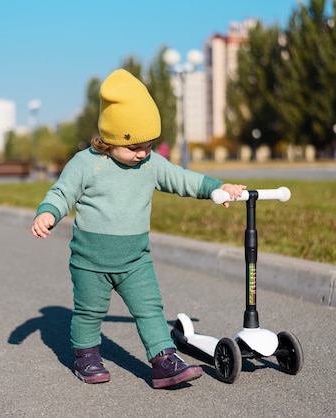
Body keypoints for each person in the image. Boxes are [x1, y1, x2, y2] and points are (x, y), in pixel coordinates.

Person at [31, 69, 246, 389]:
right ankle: (86, 356)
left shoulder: (150, 164)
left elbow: (183, 179)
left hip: (135, 261)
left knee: (150, 309)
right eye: (135, 147)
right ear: (110, 137)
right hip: (90, 262)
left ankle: (164, 360)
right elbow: (62, 193)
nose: (143, 153)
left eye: (149, 145)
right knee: (90, 312)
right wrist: (48, 213)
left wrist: (217, 188)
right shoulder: (87, 163)